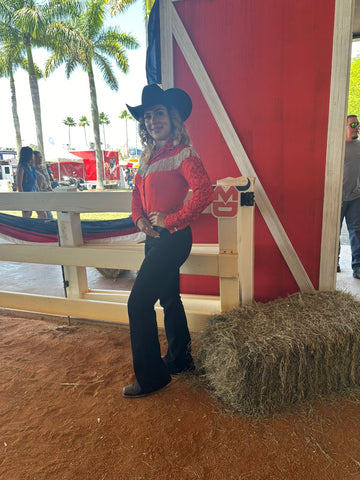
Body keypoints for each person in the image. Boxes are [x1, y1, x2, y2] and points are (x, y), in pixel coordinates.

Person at [123, 84, 214, 398]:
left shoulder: (183, 153)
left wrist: (170, 220)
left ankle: (152, 378)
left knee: (137, 303)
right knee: (169, 299)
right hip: (153, 239)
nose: (152, 120)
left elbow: (204, 192)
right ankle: (180, 358)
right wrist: (140, 219)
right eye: (147, 116)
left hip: (174, 239)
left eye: (158, 113)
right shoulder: (148, 157)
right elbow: (137, 195)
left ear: (172, 117)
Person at [339, 115, 360, 279]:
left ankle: (357, 267)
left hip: (355, 197)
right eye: (353, 124)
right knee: (334, 232)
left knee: (356, 231)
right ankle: (334, 263)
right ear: (343, 127)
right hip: (337, 198)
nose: (357, 127)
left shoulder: (359, 147)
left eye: (358, 124)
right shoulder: (337, 147)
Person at [16, 146, 46, 219]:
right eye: (32, 153)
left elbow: (35, 182)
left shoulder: (32, 167)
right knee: (27, 217)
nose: (33, 155)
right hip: (27, 195)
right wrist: (23, 198)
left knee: (43, 215)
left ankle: (40, 229)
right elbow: (19, 184)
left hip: (35, 194)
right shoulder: (21, 167)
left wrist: (39, 193)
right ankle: (26, 230)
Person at [33, 150, 54, 220]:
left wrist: (50, 187)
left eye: (41, 157)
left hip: (48, 193)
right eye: (37, 157)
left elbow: (48, 180)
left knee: (46, 214)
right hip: (39, 193)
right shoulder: (32, 169)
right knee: (46, 215)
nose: (40, 159)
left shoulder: (44, 168)